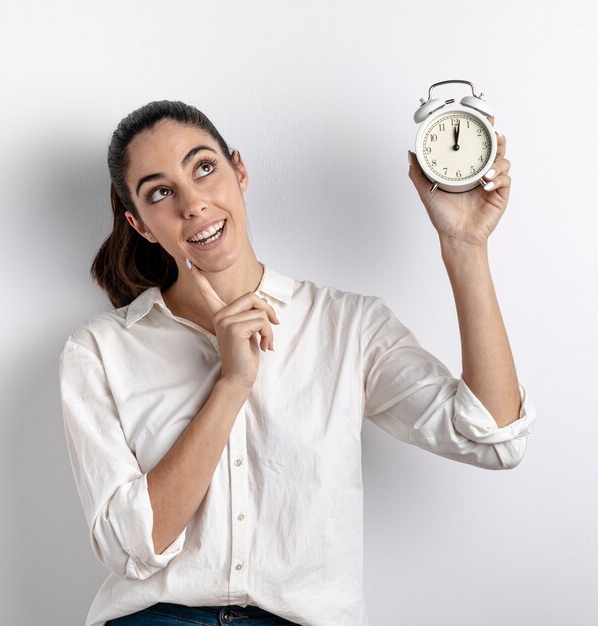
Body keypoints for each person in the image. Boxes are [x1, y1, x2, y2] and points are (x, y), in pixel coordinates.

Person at [59, 100, 537, 626]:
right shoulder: (100, 350)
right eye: (160, 192)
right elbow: (132, 547)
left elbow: (495, 439)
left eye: (203, 168)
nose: (192, 203)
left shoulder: (347, 325)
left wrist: (464, 244)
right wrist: (232, 382)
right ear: (140, 224)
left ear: (239, 171)